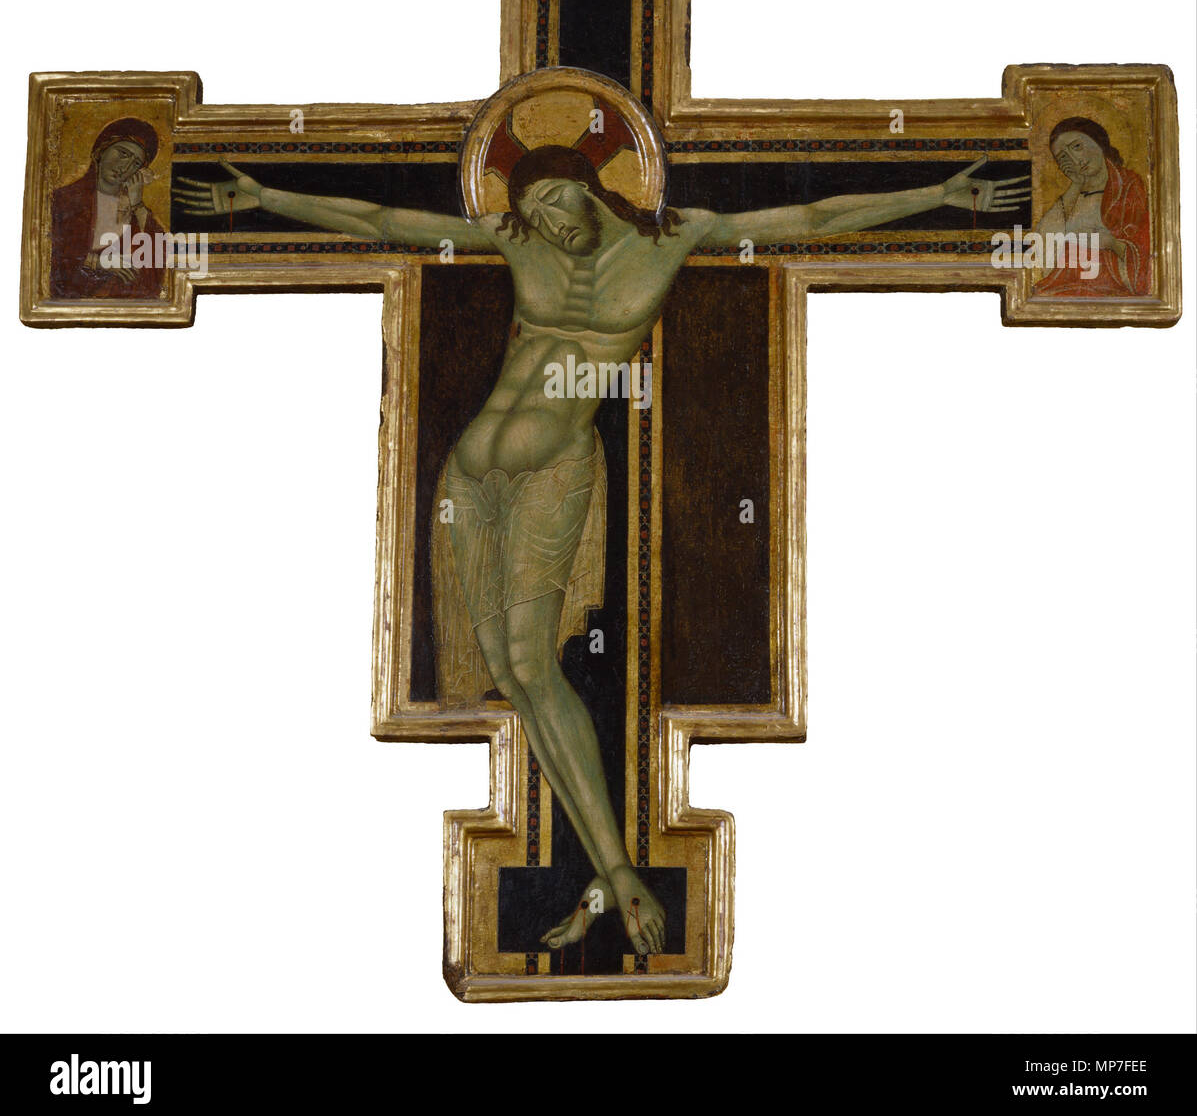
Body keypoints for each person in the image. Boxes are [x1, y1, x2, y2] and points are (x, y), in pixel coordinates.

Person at [175, 133, 1026, 956]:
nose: (549, 221)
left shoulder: (671, 238)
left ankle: (617, 873)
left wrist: (937, 194)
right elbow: (382, 222)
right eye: (535, 209)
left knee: (534, 667)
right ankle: (605, 873)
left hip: (551, 469)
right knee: (509, 673)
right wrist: (265, 197)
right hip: (472, 475)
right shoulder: (517, 242)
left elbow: (808, 219)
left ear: (591, 186)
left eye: (557, 199)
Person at [1035, 117, 1151, 297]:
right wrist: (1076, 185)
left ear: (1098, 141)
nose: (1075, 160)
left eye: (1077, 146)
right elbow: (1044, 247)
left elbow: (1146, 256)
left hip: (1112, 292)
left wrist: (1111, 243)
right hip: (1063, 289)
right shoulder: (1073, 196)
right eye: (1063, 157)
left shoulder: (1129, 187)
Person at [51, 118, 165, 299]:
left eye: (136, 163)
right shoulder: (64, 200)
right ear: (101, 151)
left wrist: (137, 205)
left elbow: (155, 261)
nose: (126, 167)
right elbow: (53, 255)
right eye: (123, 153)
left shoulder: (134, 211)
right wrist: (99, 262)